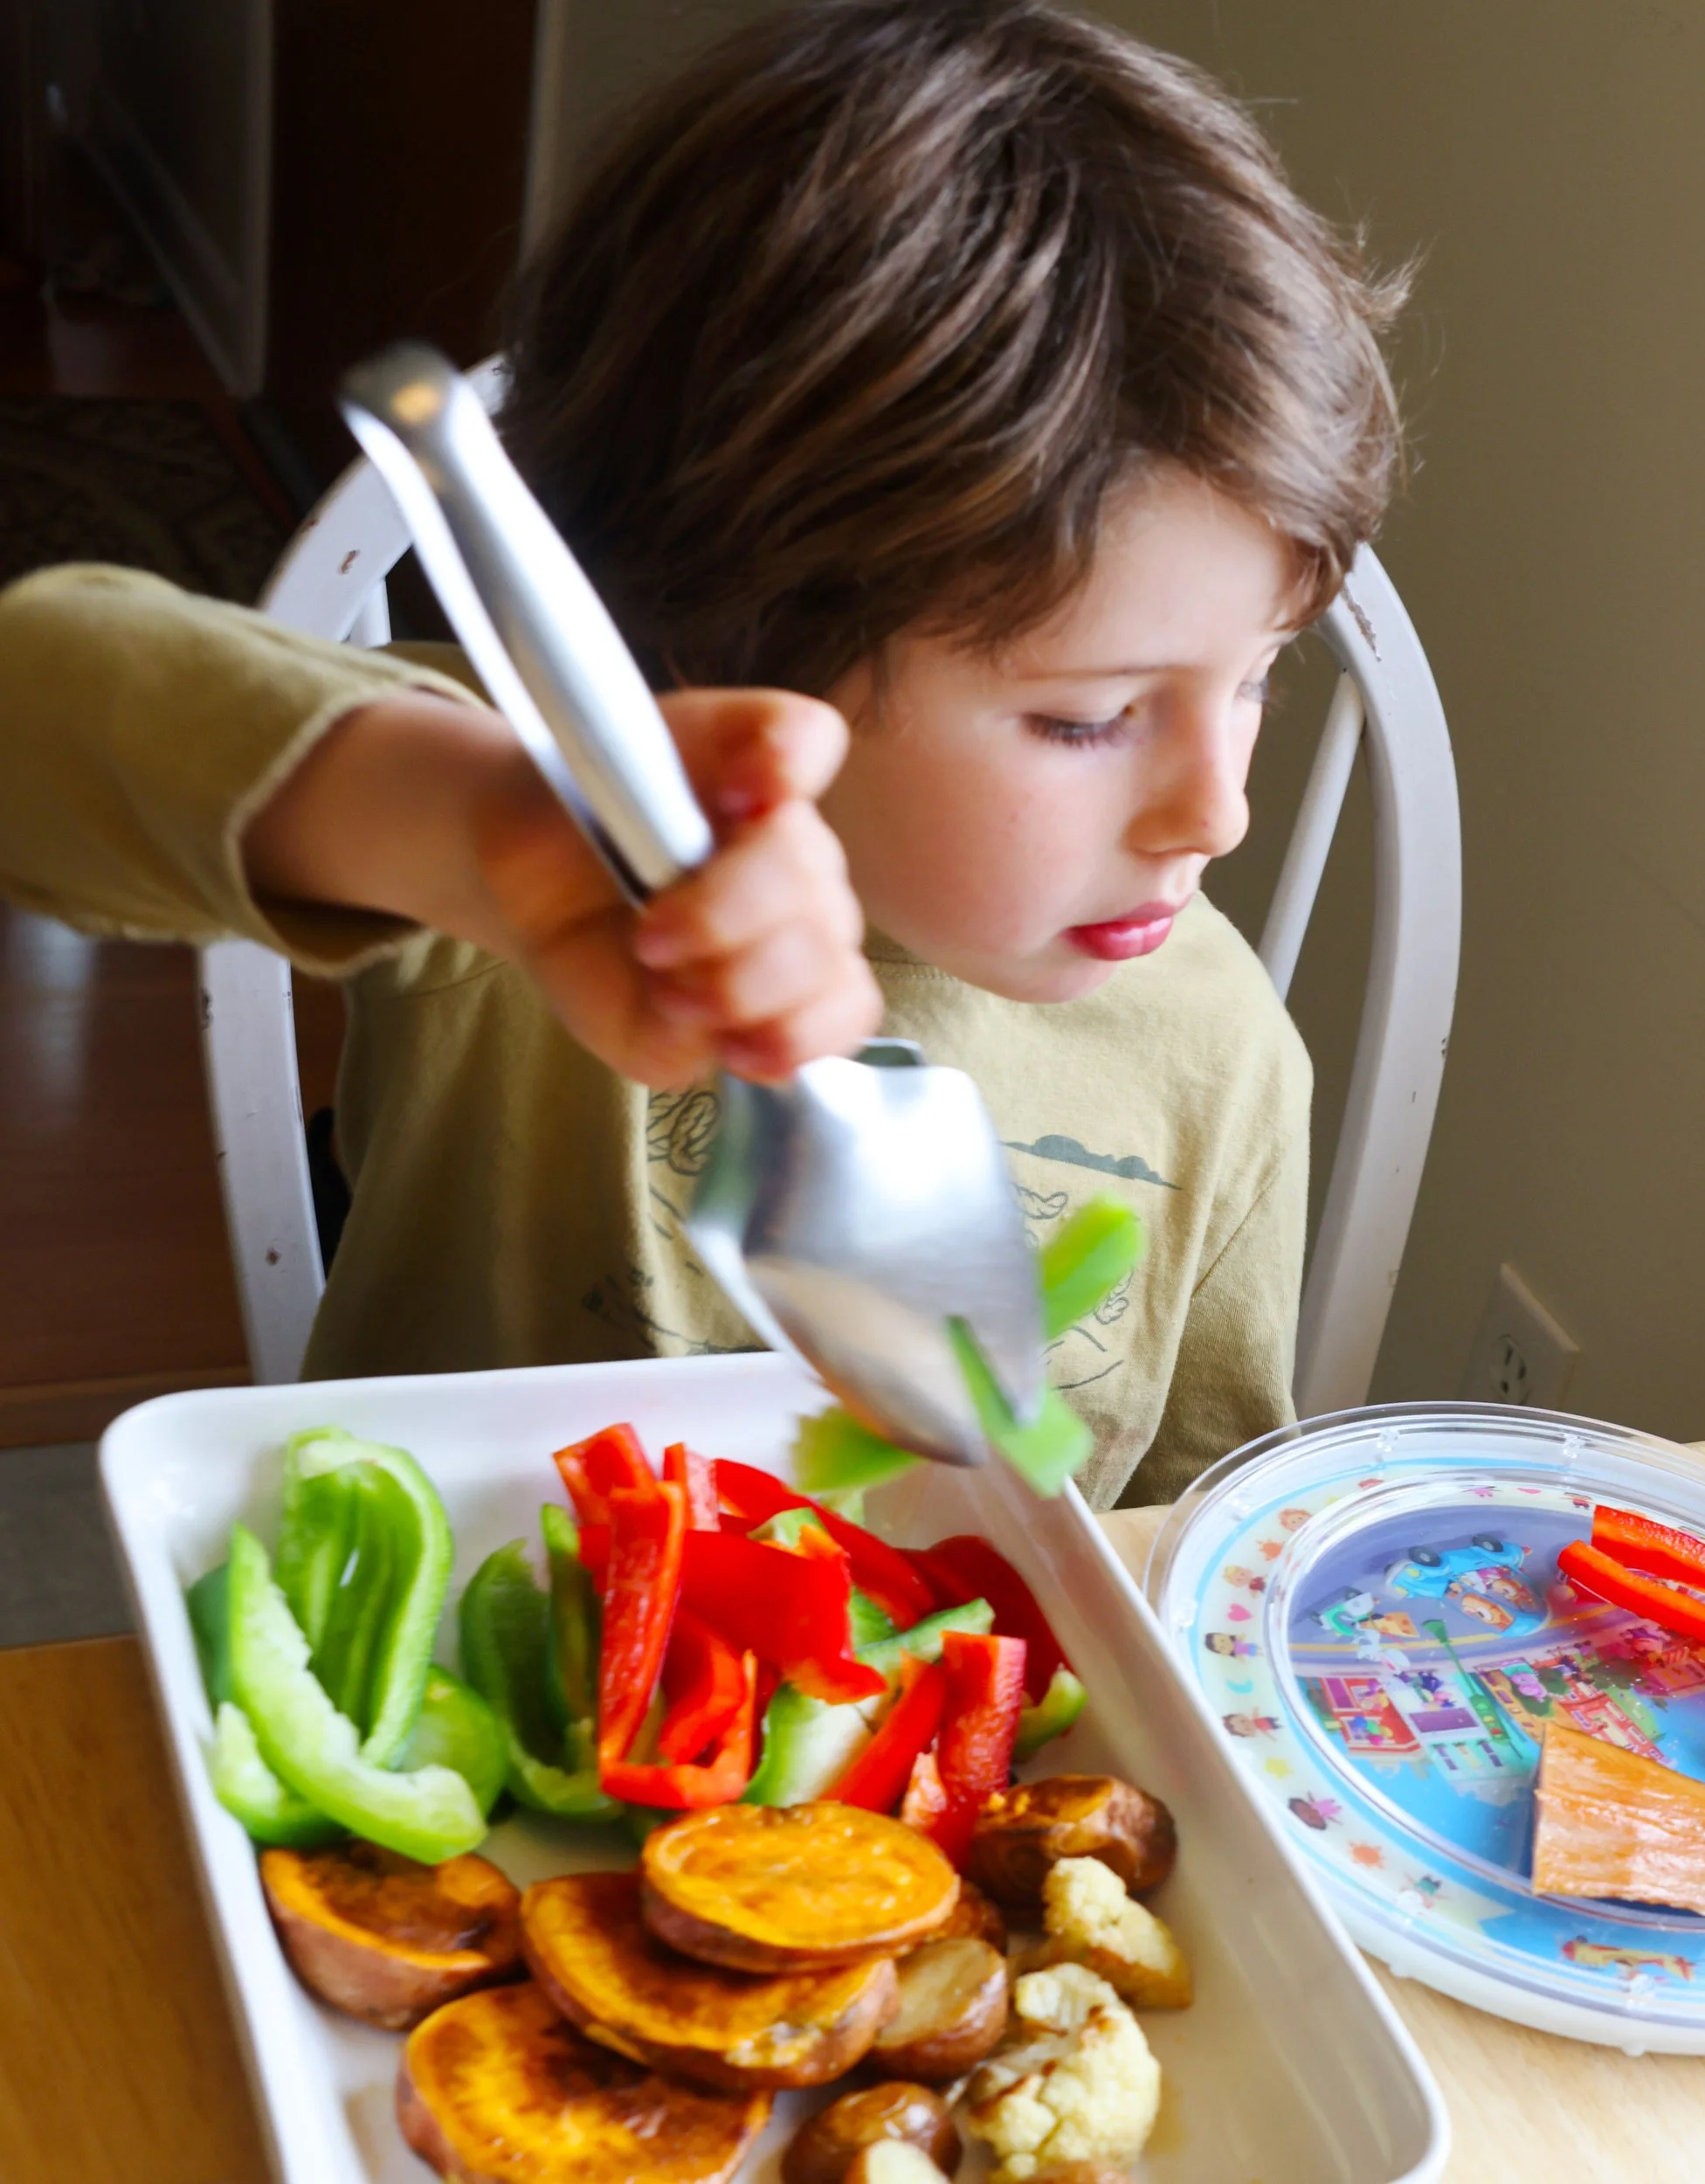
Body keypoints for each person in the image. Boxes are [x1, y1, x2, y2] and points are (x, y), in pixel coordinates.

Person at [0, 0, 1403, 1509]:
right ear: (716, 641)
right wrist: (470, 821)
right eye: (1088, 717)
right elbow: (43, 710)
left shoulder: (1224, 1047)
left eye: (1262, 678)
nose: (1222, 811)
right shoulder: (546, 892)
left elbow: (1190, 1532)